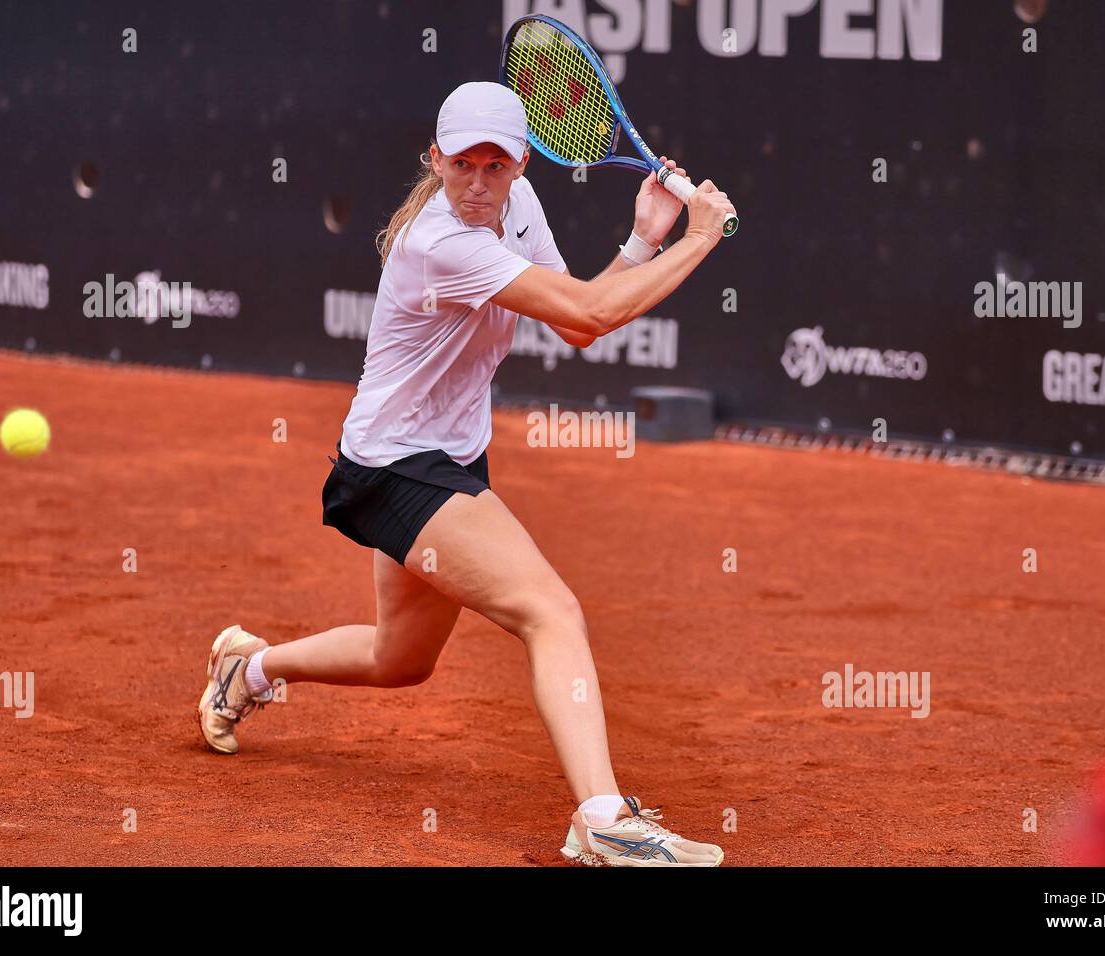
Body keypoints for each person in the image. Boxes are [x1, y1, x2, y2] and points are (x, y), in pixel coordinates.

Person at [198, 81, 736, 866]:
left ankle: (246, 669)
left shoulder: (517, 207)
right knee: (551, 611)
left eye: (496, 164)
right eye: (462, 165)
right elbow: (590, 315)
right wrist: (700, 240)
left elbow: (572, 319)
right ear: (435, 159)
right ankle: (602, 818)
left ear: (522, 163)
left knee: (399, 660)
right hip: (397, 469)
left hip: (441, 456)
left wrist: (645, 241)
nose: (479, 182)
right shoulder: (441, 241)